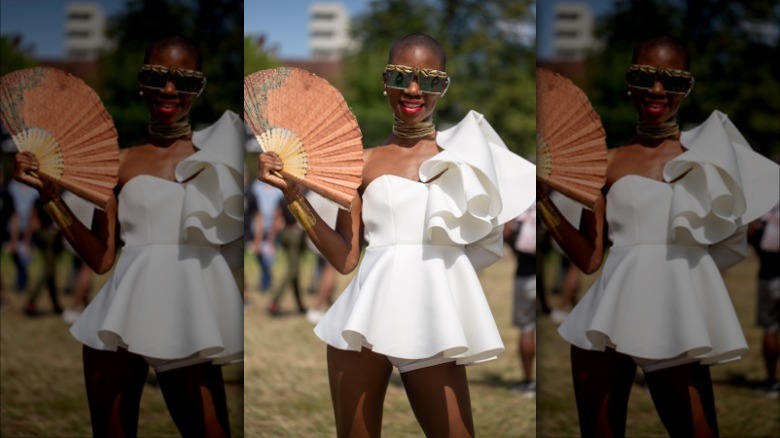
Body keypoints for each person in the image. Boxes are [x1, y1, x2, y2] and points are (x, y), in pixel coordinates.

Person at [259, 33, 534, 436]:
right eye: (401, 76)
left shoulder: (464, 159)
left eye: (430, 80)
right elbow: (346, 259)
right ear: (384, 80)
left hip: (433, 315)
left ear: (444, 86)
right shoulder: (360, 162)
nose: (414, 90)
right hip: (364, 320)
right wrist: (294, 195)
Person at [537, 34, 779, 437]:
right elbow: (590, 259)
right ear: (629, 82)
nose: (657, 90)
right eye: (645, 76)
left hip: (676, 312)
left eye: (674, 80)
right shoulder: (605, 162)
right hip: (607, 317)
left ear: (688, 87)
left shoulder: (708, 159)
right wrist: (542, 200)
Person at [14, 35, 243, 437]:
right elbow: (102, 259)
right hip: (121, 315)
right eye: (158, 76)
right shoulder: (117, 163)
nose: (169, 90)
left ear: (199, 88)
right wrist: (51, 197)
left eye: (184, 80)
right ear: (142, 81)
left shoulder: (220, 156)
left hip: (188, 312)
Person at [504, 205, 537, 397]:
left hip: (524, 274)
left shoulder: (520, 201)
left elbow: (507, 232)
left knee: (526, 329)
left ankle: (528, 381)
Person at [749, 201, 780, 397]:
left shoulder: (763, 211)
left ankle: (772, 381)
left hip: (769, 276)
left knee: (771, 329)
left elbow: (749, 236)